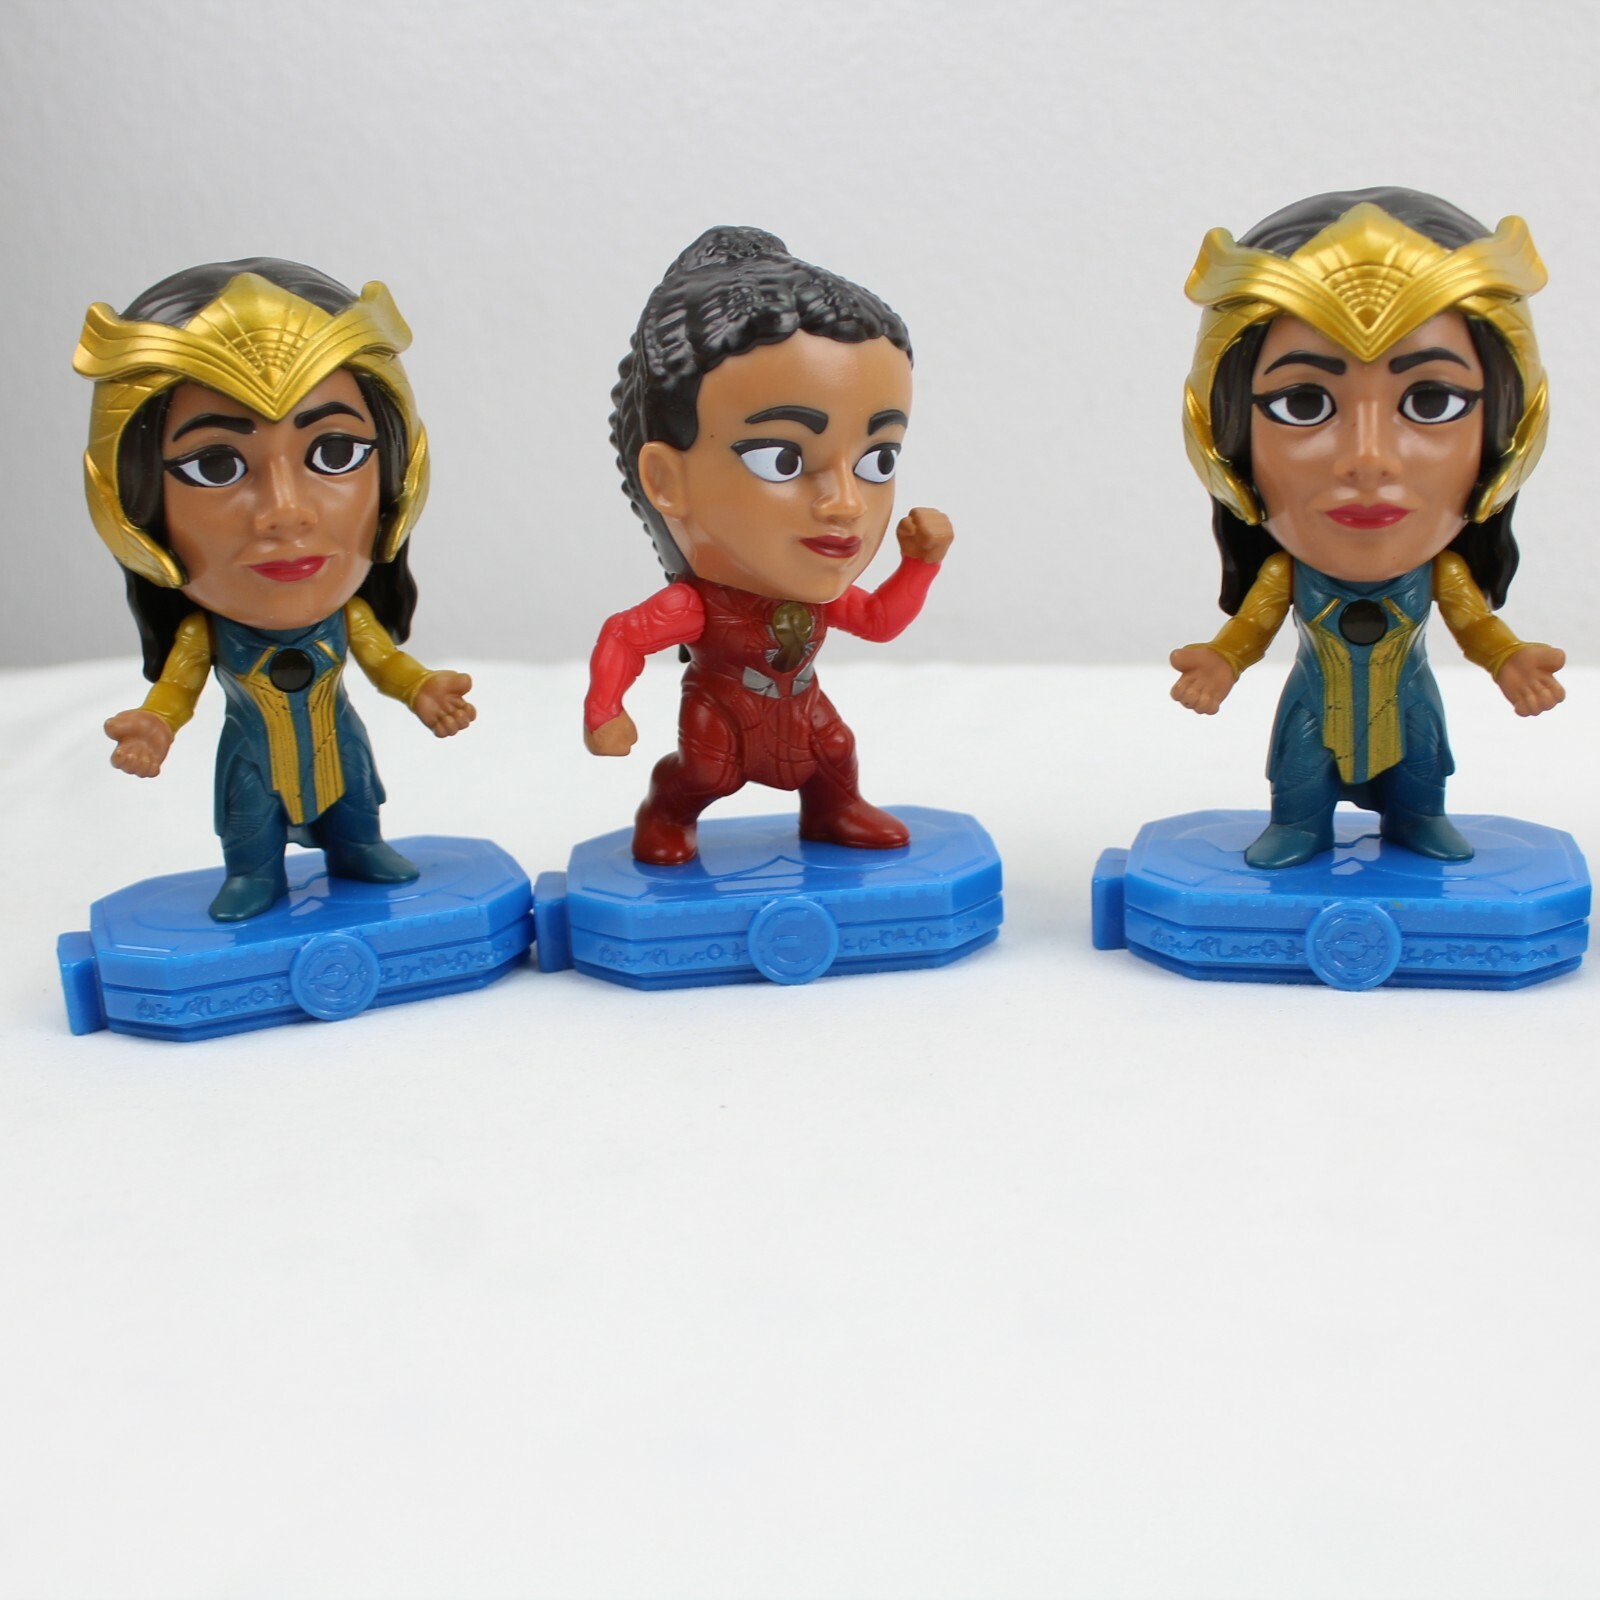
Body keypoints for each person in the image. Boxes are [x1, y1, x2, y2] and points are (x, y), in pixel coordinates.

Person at [1169, 188, 1565, 868]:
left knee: (1422, 767)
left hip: (1408, 705)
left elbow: (1474, 624)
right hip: (1315, 705)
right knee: (1300, 769)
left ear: (1503, 431)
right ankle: (1299, 826)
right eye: (1302, 403)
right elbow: (1253, 626)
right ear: (1228, 437)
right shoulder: (1287, 573)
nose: (1368, 459)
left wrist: (1509, 658)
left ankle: (1418, 819)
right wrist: (1221, 659)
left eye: (1432, 401)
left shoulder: (1439, 572)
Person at [74, 258, 475, 920]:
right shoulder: (206, 634)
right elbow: (177, 688)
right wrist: (156, 722)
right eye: (215, 465)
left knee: (357, 798)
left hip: (337, 743)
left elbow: (385, 660)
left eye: (335, 453)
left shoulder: (348, 617)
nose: (285, 512)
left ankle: (358, 848)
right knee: (248, 817)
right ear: (136, 502)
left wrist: (422, 687)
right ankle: (254, 874)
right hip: (253, 754)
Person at [587, 227, 954, 865]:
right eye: (782, 459)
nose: (845, 503)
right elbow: (624, 635)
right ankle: (667, 813)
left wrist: (920, 564)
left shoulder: (818, 595)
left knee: (834, 750)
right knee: (706, 774)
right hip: (722, 709)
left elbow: (879, 621)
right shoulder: (697, 607)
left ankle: (834, 809)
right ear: (666, 480)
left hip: (799, 702)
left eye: (878, 459)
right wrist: (604, 709)